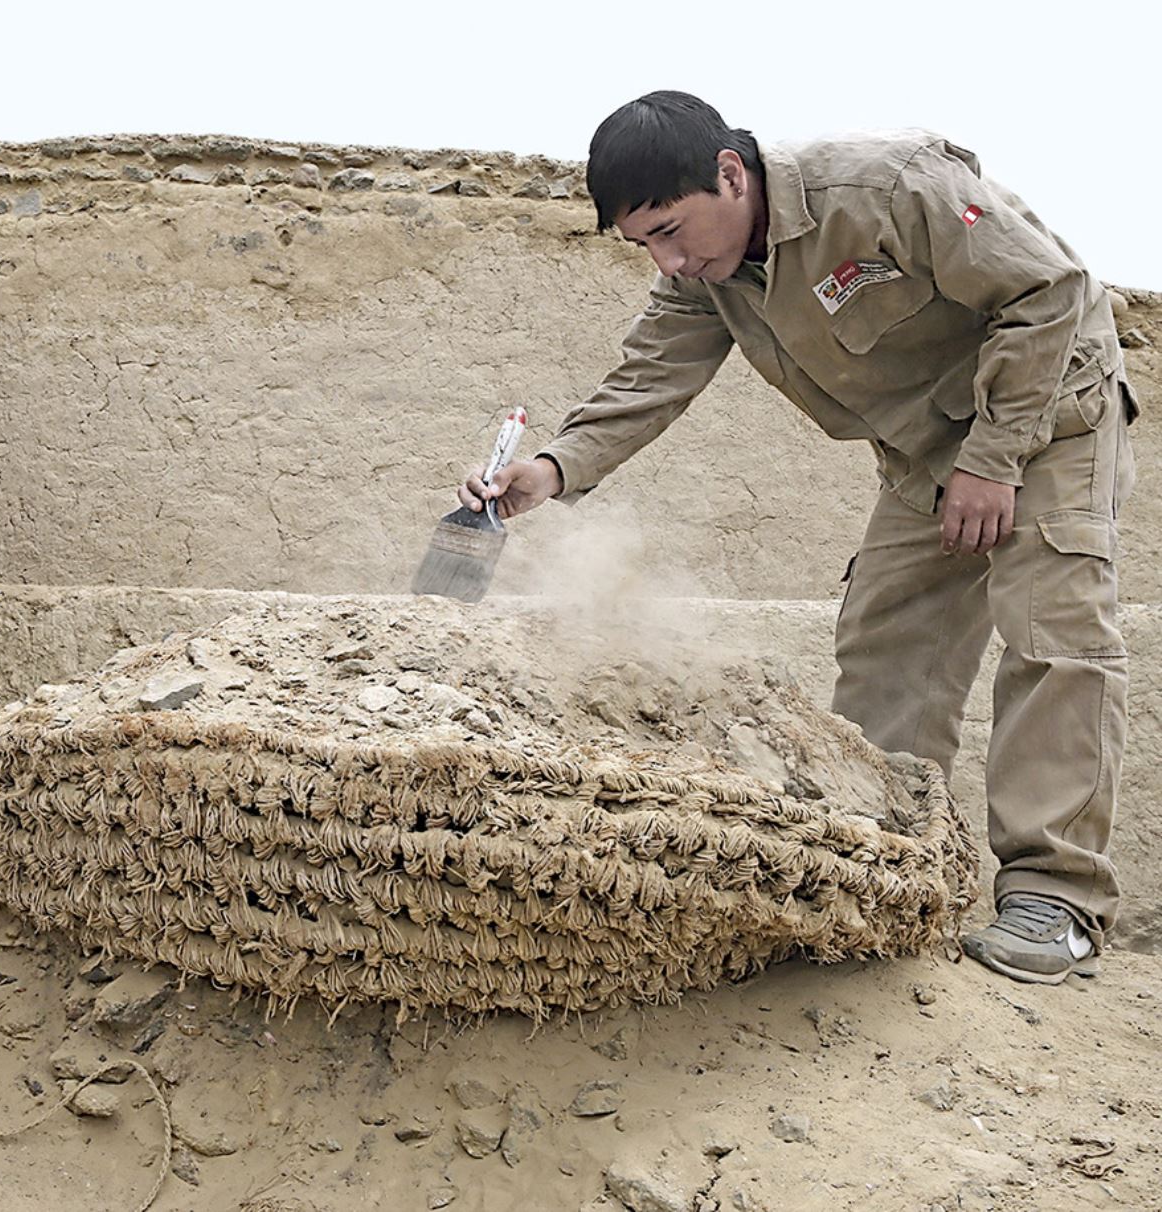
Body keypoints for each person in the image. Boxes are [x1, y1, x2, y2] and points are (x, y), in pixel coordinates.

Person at [462, 90, 1137, 985]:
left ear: (729, 174)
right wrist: (546, 472)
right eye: (645, 246)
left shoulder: (884, 186)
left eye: (670, 230)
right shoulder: (707, 276)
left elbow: (1050, 291)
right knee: (886, 637)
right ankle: (887, 873)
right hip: (926, 448)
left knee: (1051, 626)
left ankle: (1056, 901)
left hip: (1050, 414)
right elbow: (646, 381)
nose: (667, 260)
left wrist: (995, 459)